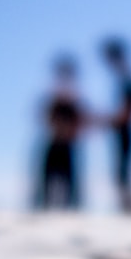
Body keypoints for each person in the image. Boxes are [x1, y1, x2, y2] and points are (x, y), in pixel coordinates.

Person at [35, 55, 85, 210]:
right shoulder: (55, 99)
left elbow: (80, 123)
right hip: (54, 146)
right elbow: (46, 119)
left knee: (71, 193)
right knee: (45, 190)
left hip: (67, 148)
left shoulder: (74, 100)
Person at [102, 38, 131, 214]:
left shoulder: (129, 80)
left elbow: (128, 115)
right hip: (123, 135)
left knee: (123, 177)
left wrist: (103, 120)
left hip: (127, 135)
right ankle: (130, 213)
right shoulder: (126, 79)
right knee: (121, 177)